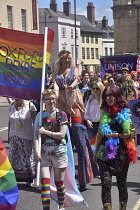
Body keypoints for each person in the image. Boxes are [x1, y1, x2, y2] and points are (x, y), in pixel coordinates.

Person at [53, 50, 99, 190]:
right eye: (64, 59)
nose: (67, 61)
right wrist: (55, 92)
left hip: (74, 102)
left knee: (79, 140)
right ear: (60, 60)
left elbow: (76, 80)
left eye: (68, 59)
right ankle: (64, 178)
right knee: (63, 142)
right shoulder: (56, 72)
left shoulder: (74, 70)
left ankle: (83, 177)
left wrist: (70, 87)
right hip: (62, 103)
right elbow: (55, 83)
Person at [34, 89, 86, 210]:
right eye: (48, 99)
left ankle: (61, 206)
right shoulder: (40, 115)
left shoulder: (61, 114)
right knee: (45, 184)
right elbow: (36, 136)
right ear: (44, 101)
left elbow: (62, 135)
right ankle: (45, 208)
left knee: (59, 183)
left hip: (59, 153)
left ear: (56, 99)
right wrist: (36, 152)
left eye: (53, 98)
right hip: (44, 153)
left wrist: (45, 131)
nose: (51, 101)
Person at [94, 85, 137, 210]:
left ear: (117, 96)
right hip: (105, 152)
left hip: (121, 153)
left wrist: (118, 135)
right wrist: (96, 151)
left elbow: (132, 133)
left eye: (111, 95)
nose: (109, 98)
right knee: (106, 184)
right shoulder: (104, 112)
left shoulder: (125, 112)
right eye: (106, 96)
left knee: (121, 184)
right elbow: (100, 132)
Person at [8, 99, 36, 185]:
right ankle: (12, 179)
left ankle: (29, 178)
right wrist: (8, 135)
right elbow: (10, 121)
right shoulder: (12, 105)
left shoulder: (30, 105)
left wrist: (36, 136)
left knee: (27, 158)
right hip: (14, 136)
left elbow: (35, 121)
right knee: (13, 158)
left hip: (27, 136)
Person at [84, 81, 104, 153]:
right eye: (93, 88)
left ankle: (99, 164)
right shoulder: (90, 99)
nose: (95, 90)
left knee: (101, 148)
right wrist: (88, 120)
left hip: (101, 126)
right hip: (91, 126)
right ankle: (93, 164)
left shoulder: (104, 100)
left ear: (101, 89)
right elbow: (86, 113)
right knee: (91, 148)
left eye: (97, 88)